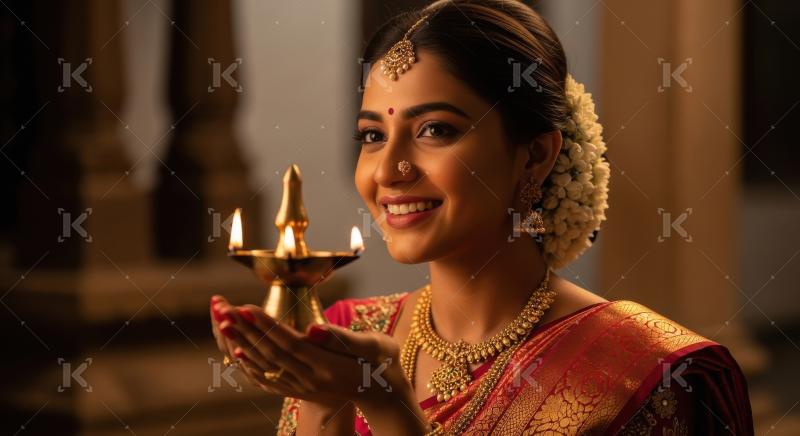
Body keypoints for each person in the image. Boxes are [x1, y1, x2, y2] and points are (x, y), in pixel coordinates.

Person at [210, 0, 754, 434]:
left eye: (436, 130)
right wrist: (326, 400)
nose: (390, 171)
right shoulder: (345, 336)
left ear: (536, 154)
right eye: (373, 135)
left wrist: (390, 406)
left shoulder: (641, 373)